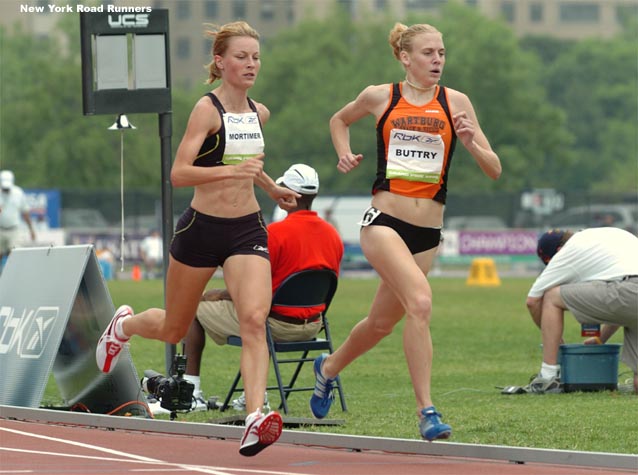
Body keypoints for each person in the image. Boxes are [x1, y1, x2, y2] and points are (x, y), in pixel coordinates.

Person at [95, 21, 299, 457]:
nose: (251, 64)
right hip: (201, 229)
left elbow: (250, 163)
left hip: (247, 228)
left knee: (253, 320)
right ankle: (124, 326)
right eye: (241, 57)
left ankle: (255, 416)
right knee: (173, 326)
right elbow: (179, 173)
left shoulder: (259, 113)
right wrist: (232, 172)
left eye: (256, 57)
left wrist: (270, 188)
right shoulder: (206, 110)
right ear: (220, 62)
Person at [310, 23, 501, 441]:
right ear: (405, 57)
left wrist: (471, 143)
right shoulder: (381, 96)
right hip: (384, 223)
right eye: (429, 53)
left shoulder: (456, 102)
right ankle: (426, 412)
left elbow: (494, 168)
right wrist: (343, 154)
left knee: (380, 323)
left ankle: (327, 368)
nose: (438, 60)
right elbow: (339, 120)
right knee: (420, 302)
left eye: (442, 53)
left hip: (427, 234)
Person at [182, 163, 344, 410]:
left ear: (288, 192)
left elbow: (253, 292)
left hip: (274, 324)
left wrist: (216, 294)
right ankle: (252, 394)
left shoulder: (274, 233)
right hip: (313, 325)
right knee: (258, 316)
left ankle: (191, 391)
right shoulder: (333, 234)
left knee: (191, 307)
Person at [523, 227, 638, 394]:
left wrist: (553, 337)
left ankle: (547, 378)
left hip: (631, 291)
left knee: (551, 297)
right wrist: (600, 339)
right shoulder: (608, 236)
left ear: (558, 251)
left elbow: (532, 301)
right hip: (630, 294)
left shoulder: (568, 251)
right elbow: (624, 309)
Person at [0, 170, 36, 268]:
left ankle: (13, 279)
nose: (6, 190)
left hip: (14, 230)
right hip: (0, 229)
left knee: (15, 256)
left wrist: (31, 230)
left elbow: (25, 212)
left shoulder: (18, 193)